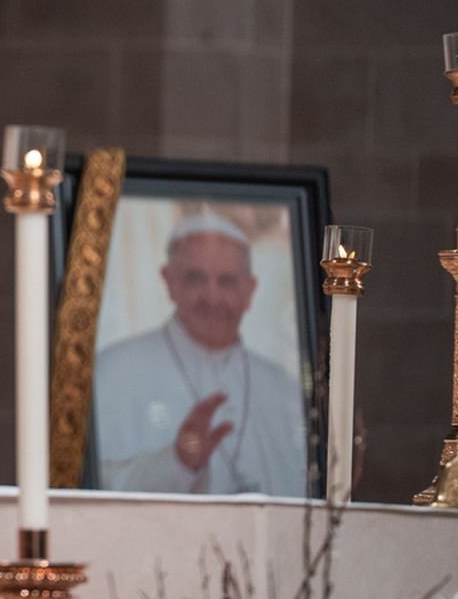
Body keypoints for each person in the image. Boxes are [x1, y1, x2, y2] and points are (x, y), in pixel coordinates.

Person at [93, 212, 308, 497]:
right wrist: (177, 463)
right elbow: (93, 492)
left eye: (227, 281)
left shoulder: (283, 388)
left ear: (250, 291)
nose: (212, 297)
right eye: (196, 278)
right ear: (169, 282)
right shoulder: (111, 371)